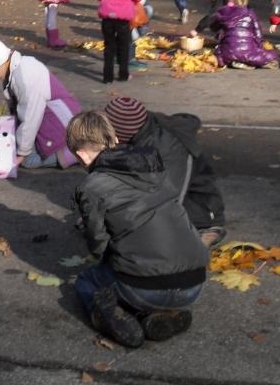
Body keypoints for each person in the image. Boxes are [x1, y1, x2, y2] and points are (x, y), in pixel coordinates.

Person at [67, 110, 208, 348]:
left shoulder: (92, 186)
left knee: (87, 281)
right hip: (194, 284)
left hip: (144, 288)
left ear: (81, 155)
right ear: (115, 140)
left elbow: (98, 244)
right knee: (141, 269)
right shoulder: (154, 167)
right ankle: (160, 315)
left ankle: (113, 317)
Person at [103, 97, 227, 248]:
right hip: (153, 192)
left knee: (153, 245)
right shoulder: (139, 130)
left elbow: (170, 197)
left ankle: (207, 230)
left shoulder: (168, 149)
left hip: (196, 207)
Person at [0, 36, 82, 168]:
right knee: (18, 149)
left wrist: (22, 153)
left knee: (28, 161)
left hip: (61, 125)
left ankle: (73, 153)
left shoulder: (25, 76)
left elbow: (30, 117)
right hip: (50, 121)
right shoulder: (15, 69)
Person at [209, 0, 280, 69]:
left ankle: (234, 61)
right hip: (248, 51)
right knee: (270, 54)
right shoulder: (250, 13)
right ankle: (249, 62)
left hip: (227, 52)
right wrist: (258, 46)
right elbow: (258, 34)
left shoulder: (223, 12)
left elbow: (213, 27)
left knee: (218, 53)